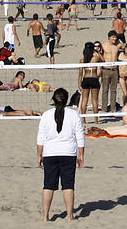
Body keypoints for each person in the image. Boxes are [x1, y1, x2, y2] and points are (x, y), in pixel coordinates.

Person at [37, 87, 85, 222]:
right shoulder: (74, 115)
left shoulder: (46, 115)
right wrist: (81, 154)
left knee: (48, 185)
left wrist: (39, 155)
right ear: (66, 100)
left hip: (50, 153)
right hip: (68, 153)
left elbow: (40, 138)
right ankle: (70, 216)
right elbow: (80, 136)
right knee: (68, 185)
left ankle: (45, 217)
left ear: (53, 99)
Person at [78, 42, 102, 123]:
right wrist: (97, 52)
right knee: (95, 100)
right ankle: (96, 120)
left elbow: (80, 74)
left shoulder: (82, 60)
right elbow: (103, 59)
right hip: (94, 79)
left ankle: (83, 120)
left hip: (86, 79)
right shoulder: (95, 58)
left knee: (84, 100)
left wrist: (79, 84)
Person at [100, 30, 123, 114]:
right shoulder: (104, 45)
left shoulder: (117, 45)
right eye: (113, 37)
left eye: (115, 37)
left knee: (114, 90)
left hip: (114, 70)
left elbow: (125, 46)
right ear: (109, 37)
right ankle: (104, 109)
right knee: (105, 90)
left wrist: (119, 41)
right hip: (106, 69)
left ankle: (113, 108)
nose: (114, 38)